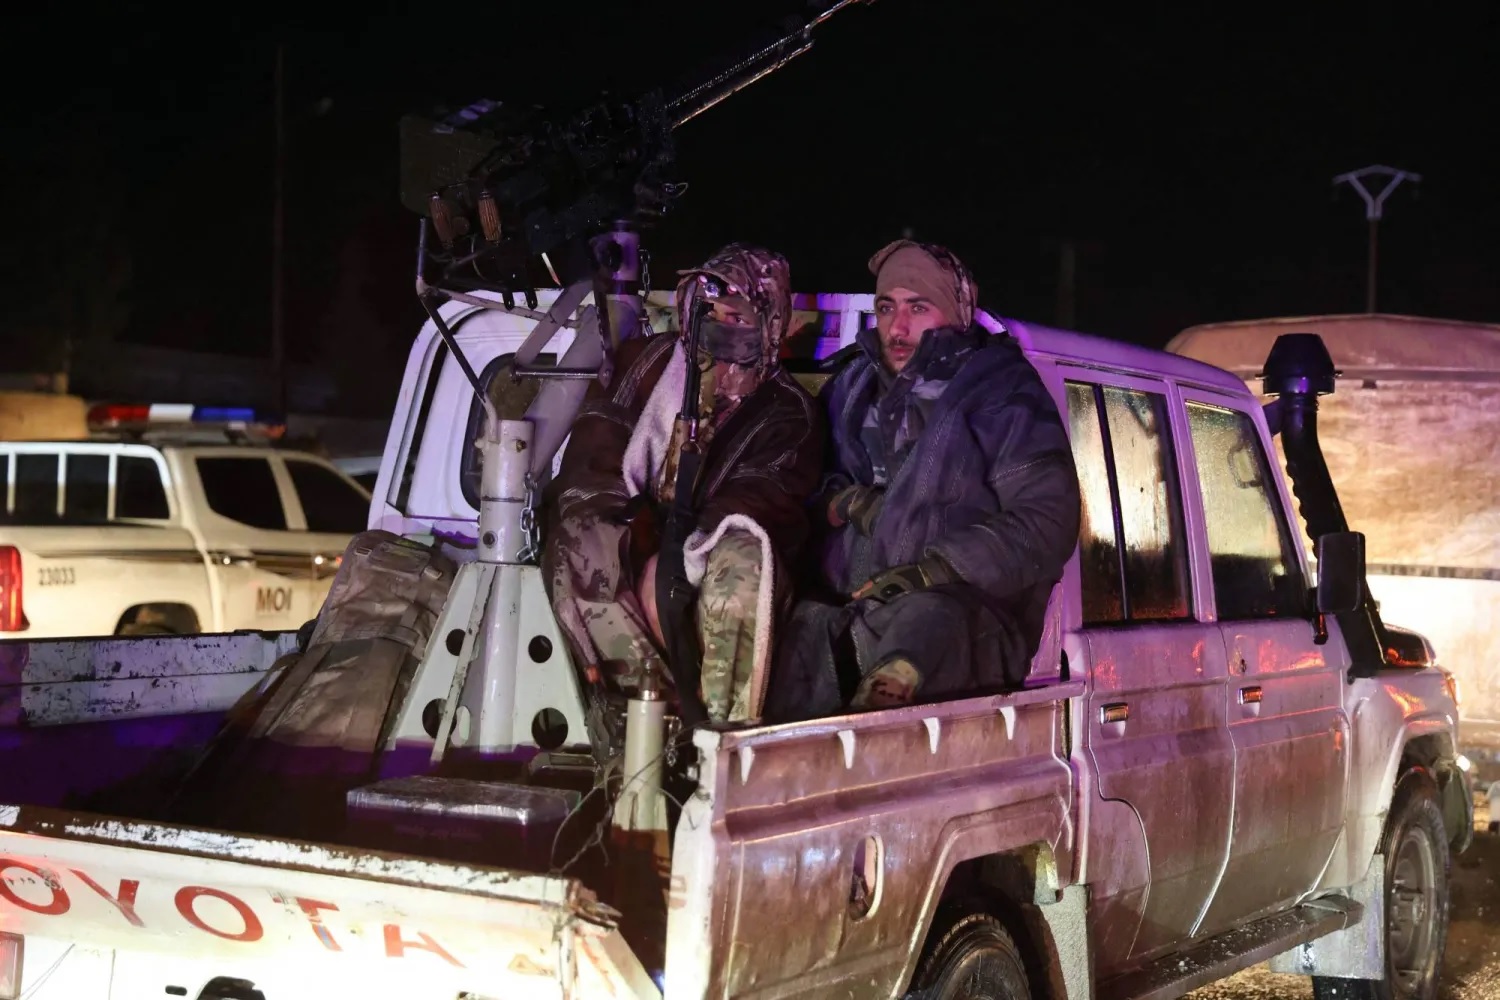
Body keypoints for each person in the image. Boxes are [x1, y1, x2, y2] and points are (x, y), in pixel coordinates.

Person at [766, 239, 1081, 719]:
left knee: (926, 623)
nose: (897, 327)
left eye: (918, 308)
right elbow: (800, 489)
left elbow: (1047, 520)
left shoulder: (1001, 391)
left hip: (960, 624)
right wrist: (844, 502)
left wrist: (935, 570)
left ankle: (887, 695)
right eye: (886, 307)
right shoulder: (849, 388)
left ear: (955, 312)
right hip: (843, 613)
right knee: (792, 633)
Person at [543, 244, 824, 724]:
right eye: (706, 310)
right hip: (639, 528)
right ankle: (646, 715)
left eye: (735, 316)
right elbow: (593, 455)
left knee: (741, 561)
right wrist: (636, 536)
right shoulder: (645, 363)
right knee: (582, 539)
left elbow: (760, 502)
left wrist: (679, 561)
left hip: (713, 550)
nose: (717, 325)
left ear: (769, 322)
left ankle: (723, 734)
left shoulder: (789, 412)